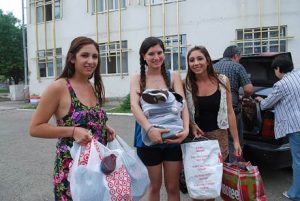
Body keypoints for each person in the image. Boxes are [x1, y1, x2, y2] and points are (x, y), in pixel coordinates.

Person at [29, 36, 116, 201]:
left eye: (95, 56)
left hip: (97, 168)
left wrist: (104, 127)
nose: (91, 61)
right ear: (71, 58)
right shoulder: (59, 87)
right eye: (85, 55)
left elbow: (89, 120)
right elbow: (35, 128)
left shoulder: (93, 87)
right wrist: (72, 131)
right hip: (71, 169)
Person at [130, 36, 189, 201]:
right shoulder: (138, 78)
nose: (156, 57)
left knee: (172, 186)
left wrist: (186, 130)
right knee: (154, 186)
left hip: (174, 137)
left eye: (159, 52)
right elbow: (134, 106)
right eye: (151, 54)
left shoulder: (173, 76)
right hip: (148, 139)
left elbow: (182, 104)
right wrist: (150, 129)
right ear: (143, 56)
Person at [185, 46, 242, 201]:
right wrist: (190, 125)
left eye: (199, 58)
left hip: (219, 139)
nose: (196, 63)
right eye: (192, 60)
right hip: (196, 140)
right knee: (197, 186)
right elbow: (182, 112)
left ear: (208, 60)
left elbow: (230, 112)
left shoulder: (222, 80)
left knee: (211, 186)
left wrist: (236, 141)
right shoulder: (187, 84)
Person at [255, 55, 300, 201]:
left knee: (297, 161)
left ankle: (295, 194)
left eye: (275, 70)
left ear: (278, 69)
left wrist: (260, 100)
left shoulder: (282, 84)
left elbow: (266, 104)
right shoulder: (298, 75)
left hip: (295, 126)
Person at [213, 45, 253, 157]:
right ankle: (234, 168)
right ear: (235, 56)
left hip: (216, 111)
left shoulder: (213, 67)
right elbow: (248, 89)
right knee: (236, 141)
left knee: (220, 142)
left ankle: (222, 165)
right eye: (239, 57)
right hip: (232, 109)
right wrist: (244, 97)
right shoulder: (238, 67)